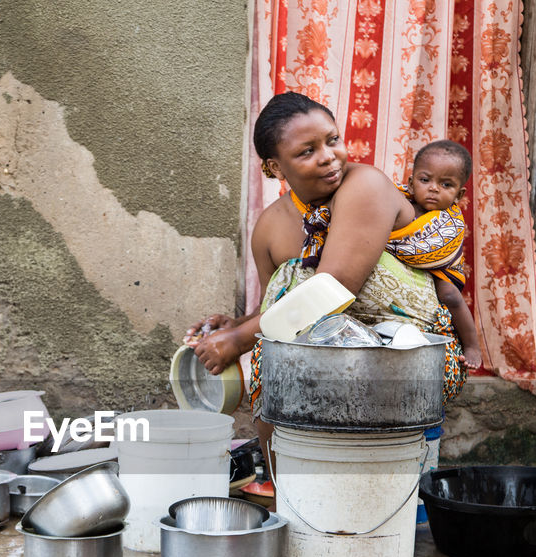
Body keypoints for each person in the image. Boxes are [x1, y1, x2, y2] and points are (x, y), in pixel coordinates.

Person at [187, 92, 465, 467]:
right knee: (277, 370)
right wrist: (232, 324)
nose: (328, 156)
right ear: (275, 167)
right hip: (317, 371)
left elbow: (332, 290)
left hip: (401, 365)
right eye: (306, 151)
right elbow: (278, 307)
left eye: (332, 140)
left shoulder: (364, 185)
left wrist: (237, 340)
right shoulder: (269, 228)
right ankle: (285, 488)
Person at [390, 139, 483, 370]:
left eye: (446, 184)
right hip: (397, 262)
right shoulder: (397, 202)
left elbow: (442, 249)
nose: (434, 188)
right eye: (425, 180)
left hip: (438, 269)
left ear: (459, 195)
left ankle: (472, 345)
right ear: (411, 184)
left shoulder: (450, 222)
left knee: (449, 293)